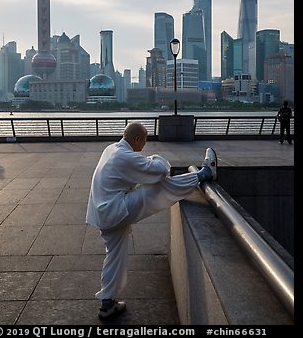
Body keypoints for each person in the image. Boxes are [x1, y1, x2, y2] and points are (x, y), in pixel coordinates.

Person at [85, 121, 217, 319]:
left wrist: (147, 162)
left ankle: (107, 304)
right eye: (144, 141)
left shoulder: (112, 149)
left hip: (103, 212)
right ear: (137, 139)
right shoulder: (124, 156)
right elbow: (160, 172)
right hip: (115, 209)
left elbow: (138, 170)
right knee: (160, 188)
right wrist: (156, 158)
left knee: (114, 257)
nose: (144, 146)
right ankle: (203, 174)